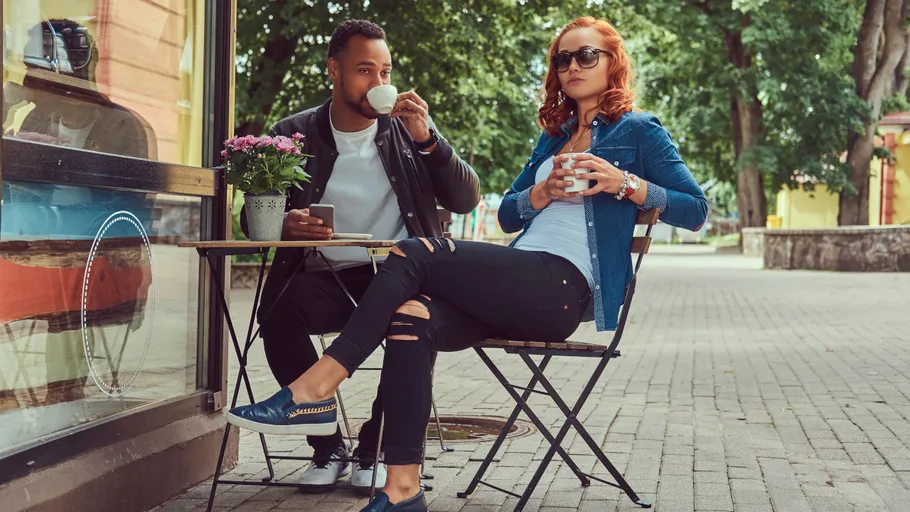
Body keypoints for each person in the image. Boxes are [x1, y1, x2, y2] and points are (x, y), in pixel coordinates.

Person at [228, 16, 707, 512]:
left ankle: (317, 386)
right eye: (562, 58)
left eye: (586, 56)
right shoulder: (554, 136)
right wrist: (539, 194)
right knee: (411, 317)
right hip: (518, 279)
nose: (571, 67)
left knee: (414, 250)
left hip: (563, 287)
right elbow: (504, 214)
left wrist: (623, 183)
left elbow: (696, 210)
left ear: (613, 63)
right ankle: (402, 493)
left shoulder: (639, 131)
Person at [236, 20, 481, 490]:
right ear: (334, 69)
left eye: (385, 72)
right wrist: (285, 224)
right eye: (365, 70)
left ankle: (377, 450)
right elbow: (253, 218)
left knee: (414, 322)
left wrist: (430, 138)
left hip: (399, 275)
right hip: (327, 275)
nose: (379, 84)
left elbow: (466, 198)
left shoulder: (410, 133)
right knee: (277, 311)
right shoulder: (293, 134)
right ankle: (326, 447)